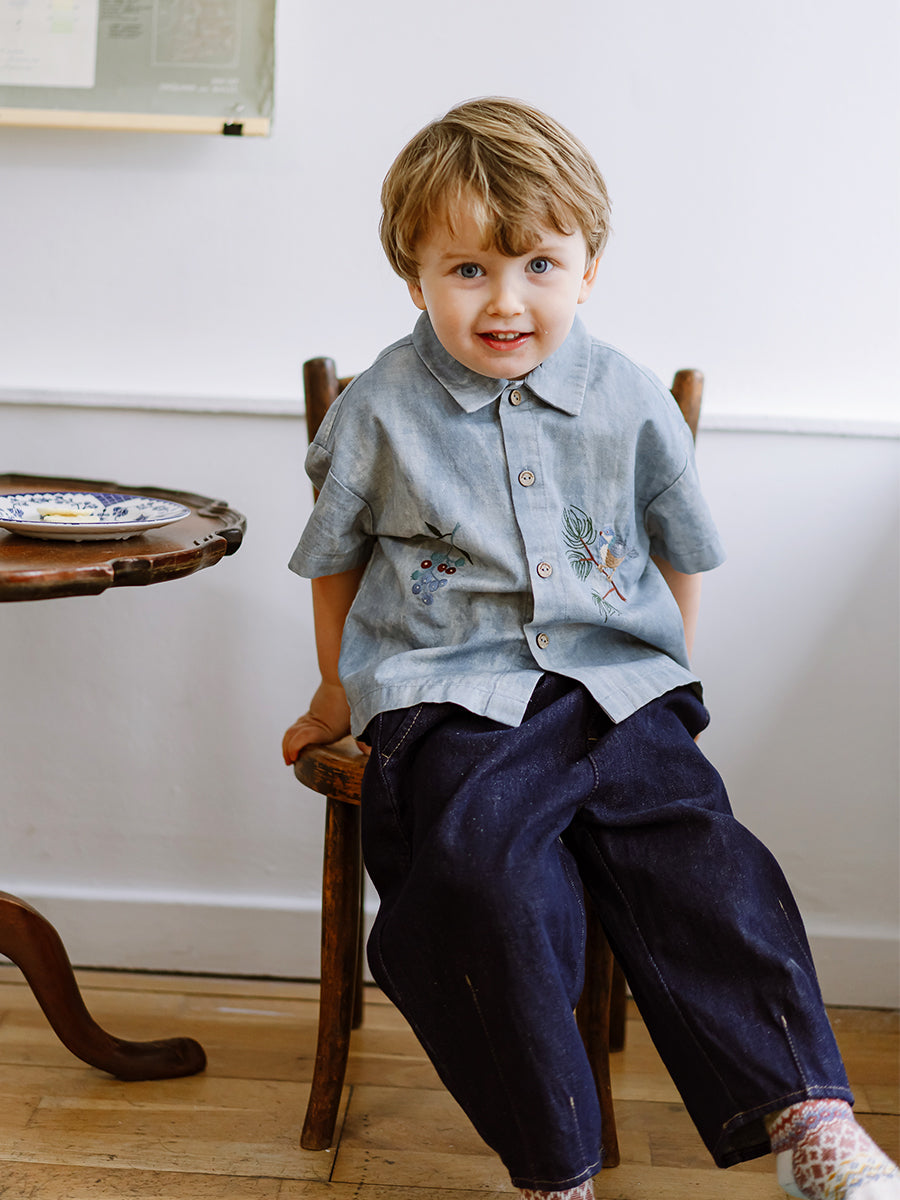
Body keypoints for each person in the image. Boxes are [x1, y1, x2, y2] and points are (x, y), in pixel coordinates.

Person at [282, 97, 899, 1200]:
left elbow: (681, 551)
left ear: (589, 268)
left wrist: (665, 680)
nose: (505, 299)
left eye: (538, 265)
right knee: (486, 879)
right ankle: (553, 1166)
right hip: (455, 697)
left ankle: (810, 1115)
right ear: (415, 277)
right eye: (467, 269)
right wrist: (336, 693)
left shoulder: (628, 397)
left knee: (706, 859)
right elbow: (335, 559)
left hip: (617, 690)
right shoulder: (379, 409)